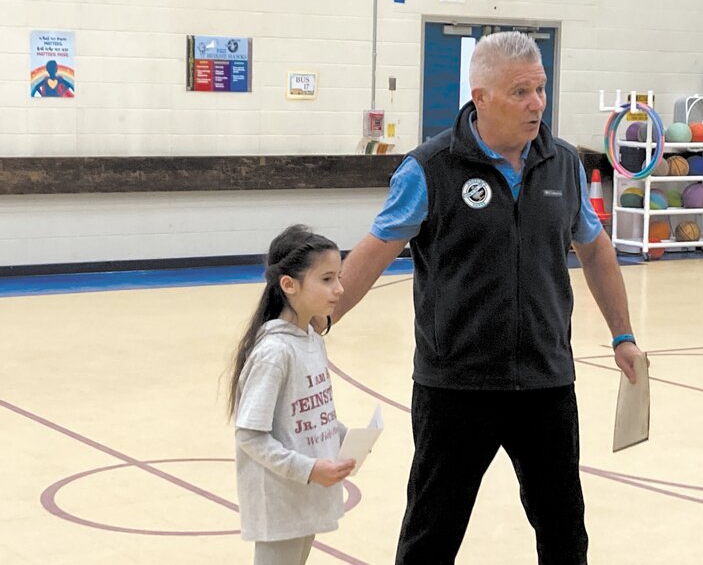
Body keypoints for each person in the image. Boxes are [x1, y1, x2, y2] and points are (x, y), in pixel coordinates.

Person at [330, 31, 645, 564]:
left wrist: (623, 335)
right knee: (431, 535)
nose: (537, 104)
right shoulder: (431, 169)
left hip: (546, 382)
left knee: (564, 531)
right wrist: (318, 321)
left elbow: (595, 249)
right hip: (456, 386)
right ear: (481, 97)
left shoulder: (563, 164)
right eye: (521, 91)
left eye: (540, 89)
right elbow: (377, 248)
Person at [227, 225, 355, 565]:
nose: (339, 289)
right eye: (327, 279)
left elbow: (307, 414)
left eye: (339, 277)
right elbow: (250, 435)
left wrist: (346, 439)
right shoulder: (275, 352)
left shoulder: (311, 339)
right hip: (281, 499)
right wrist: (309, 468)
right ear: (289, 285)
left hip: (305, 493)